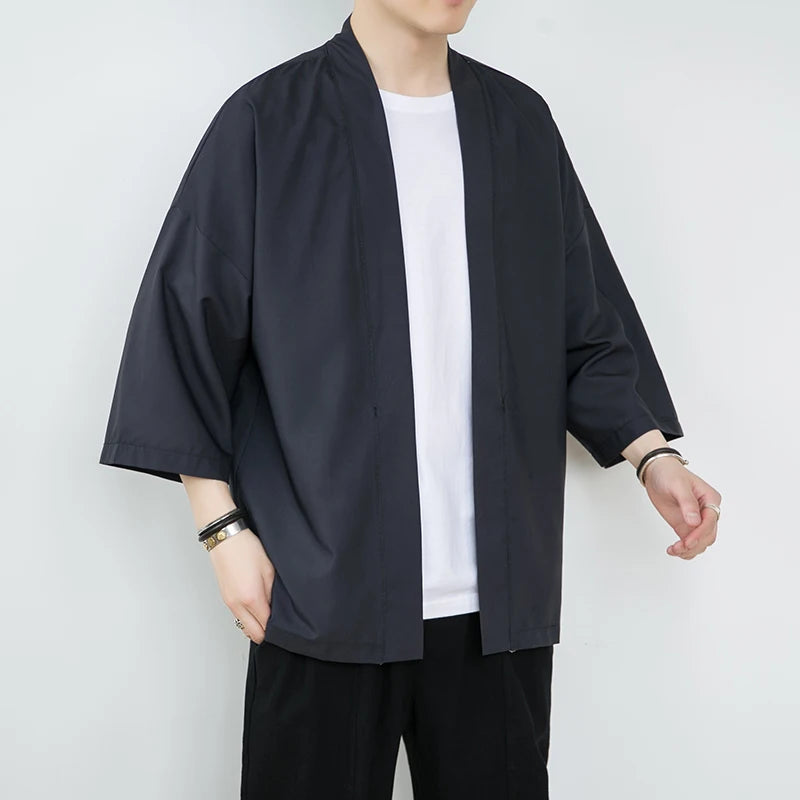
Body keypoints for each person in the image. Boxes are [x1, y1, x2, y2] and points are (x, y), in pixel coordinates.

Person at [99, 1, 722, 797]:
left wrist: (653, 456)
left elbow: (582, 317)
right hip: (322, 590)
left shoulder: (519, 124)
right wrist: (222, 531)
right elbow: (187, 325)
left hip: (497, 605)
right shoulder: (268, 122)